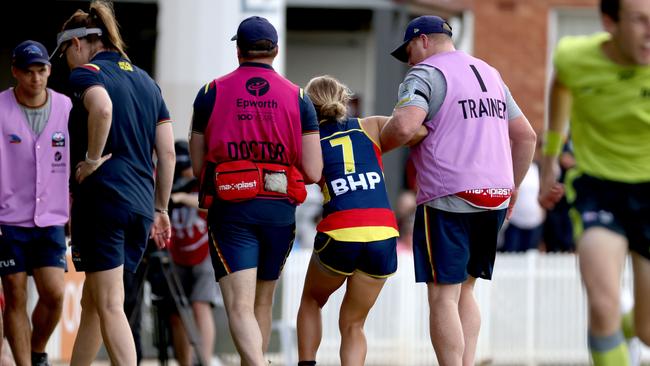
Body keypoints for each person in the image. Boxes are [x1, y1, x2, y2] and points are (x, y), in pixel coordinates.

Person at [380, 15, 537, 365]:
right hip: (495, 195)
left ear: (422, 41)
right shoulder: (489, 73)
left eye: (407, 52)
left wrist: (376, 143)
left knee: (443, 297)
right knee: (466, 291)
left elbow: (404, 126)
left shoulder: (425, 74)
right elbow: (526, 136)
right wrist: (512, 189)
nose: (408, 61)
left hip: (449, 196)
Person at [188, 16, 322, 365]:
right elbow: (313, 170)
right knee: (262, 302)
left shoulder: (210, 92)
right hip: (279, 209)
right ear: (275, 51)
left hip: (233, 206)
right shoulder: (300, 97)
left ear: (238, 51)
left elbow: (199, 163)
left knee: (239, 305)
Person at [53, 1, 175, 364]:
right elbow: (166, 153)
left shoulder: (86, 74)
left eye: (65, 54)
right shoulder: (146, 81)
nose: (66, 63)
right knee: (94, 301)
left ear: (77, 44)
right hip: (140, 205)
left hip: (104, 201)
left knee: (109, 304)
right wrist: (161, 207)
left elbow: (102, 108)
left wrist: (91, 159)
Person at [539, 0, 650, 364]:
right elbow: (561, 89)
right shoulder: (574, 57)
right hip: (597, 188)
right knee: (604, 306)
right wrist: (551, 160)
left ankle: (621, 335)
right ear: (610, 22)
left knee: (647, 330)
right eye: (639, 21)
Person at [295, 75, 425, 366]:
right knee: (353, 324)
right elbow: (417, 130)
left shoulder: (308, 141)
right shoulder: (371, 126)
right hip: (382, 232)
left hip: (340, 230)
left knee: (311, 302)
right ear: (344, 99)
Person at [0, 40, 72, 366]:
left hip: (51, 217)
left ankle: (37, 350)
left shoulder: (67, 108)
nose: (35, 79)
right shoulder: (0, 108)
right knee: (14, 295)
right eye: (27, 72)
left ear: (49, 70)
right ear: (15, 72)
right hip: (8, 219)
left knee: (54, 293)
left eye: (41, 70)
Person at [167, 140, 219, 366]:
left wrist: (182, 198)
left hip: (204, 252)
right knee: (178, 311)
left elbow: (212, 205)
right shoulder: (169, 180)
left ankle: (204, 361)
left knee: (200, 305)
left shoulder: (203, 179)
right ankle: (184, 362)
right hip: (176, 254)